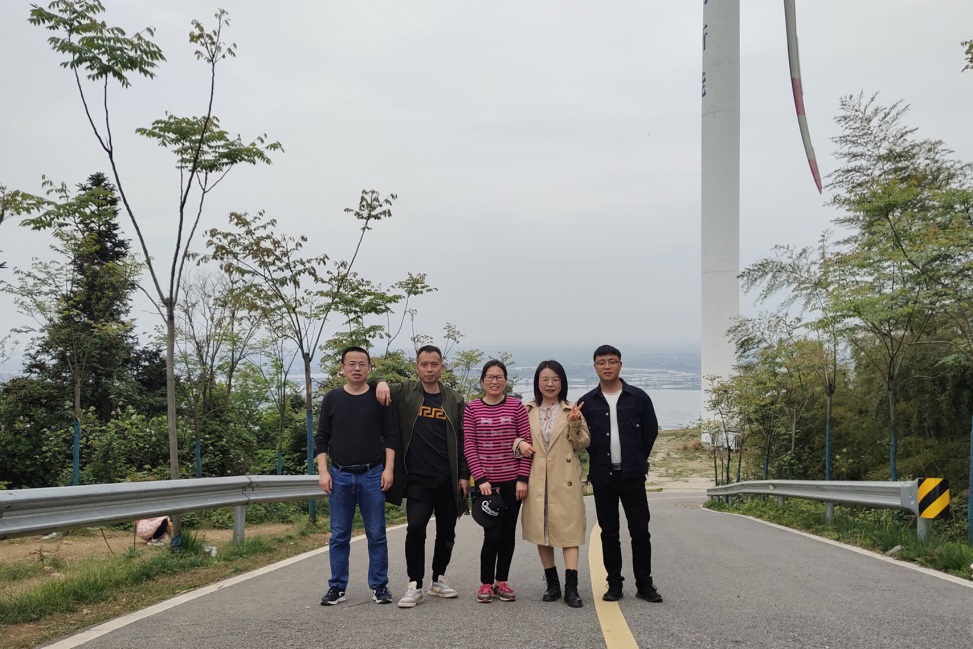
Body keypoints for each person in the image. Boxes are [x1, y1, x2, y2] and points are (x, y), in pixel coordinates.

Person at [375, 345, 469, 609]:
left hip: (448, 477)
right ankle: (414, 583)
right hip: (417, 478)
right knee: (415, 528)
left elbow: (463, 439)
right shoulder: (404, 392)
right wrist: (380, 381)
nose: (429, 369)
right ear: (416, 367)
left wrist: (464, 475)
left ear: (442, 367)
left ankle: (438, 579)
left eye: (434, 364)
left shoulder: (454, 399)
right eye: (424, 364)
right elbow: (370, 383)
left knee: (447, 531)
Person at [577, 344, 663, 603]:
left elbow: (650, 431)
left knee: (640, 531)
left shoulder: (639, 398)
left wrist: (637, 458)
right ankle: (614, 583)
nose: (607, 366)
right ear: (594, 366)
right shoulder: (587, 402)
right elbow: (583, 438)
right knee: (609, 532)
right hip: (603, 476)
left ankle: (644, 584)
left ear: (620, 365)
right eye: (601, 362)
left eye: (612, 361)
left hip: (633, 475)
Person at [315, 346, 397, 606]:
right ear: (342, 368)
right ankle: (337, 587)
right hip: (339, 475)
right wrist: (323, 472)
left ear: (370, 367)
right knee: (339, 535)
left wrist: (389, 469)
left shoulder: (379, 397)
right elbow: (322, 437)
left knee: (377, 533)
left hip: (372, 474)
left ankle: (379, 586)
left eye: (362, 363)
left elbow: (391, 435)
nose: (357, 368)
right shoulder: (332, 398)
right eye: (351, 363)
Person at [515, 360, 591, 608]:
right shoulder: (526, 410)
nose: (550, 384)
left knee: (569, 533)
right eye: (545, 379)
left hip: (564, 478)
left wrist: (575, 423)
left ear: (562, 382)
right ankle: (552, 584)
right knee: (542, 530)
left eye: (555, 379)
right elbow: (512, 437)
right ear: (537, 382)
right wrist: (519, 444)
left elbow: (582, 444)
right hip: (536, 477)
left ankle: (572, 587)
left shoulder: (572, 410)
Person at [463, 359, 531, 603]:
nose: (495, 381)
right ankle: (485, 583)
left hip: (513, 483)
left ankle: (501, 581)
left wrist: (523, 479)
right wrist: (481, 479)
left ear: (505, 380)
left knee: (508, 534)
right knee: (492, 534)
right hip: (486, 486)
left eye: (499, 377)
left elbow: (526, 445)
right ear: (483, 380)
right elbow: (469, 446)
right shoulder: (472, 408)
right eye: (490, 377)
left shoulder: (516, 406)